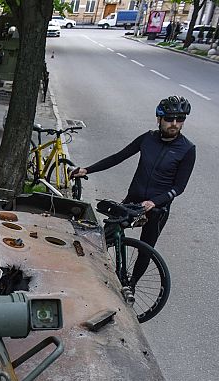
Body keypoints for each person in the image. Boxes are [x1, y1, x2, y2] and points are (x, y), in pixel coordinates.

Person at [72, 96, 195, 290]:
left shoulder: (187, 149)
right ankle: (93, 273)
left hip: (157, 207)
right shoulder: (148, 138)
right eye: (170, 118)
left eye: (180, 119)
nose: (174, 124)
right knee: (106, 236)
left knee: (146, 249)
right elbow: (118, 157)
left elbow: (179, 187)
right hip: (133, 199)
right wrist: (87, 170)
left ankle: (131, 285)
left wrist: (155, 202)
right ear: (159, 118)